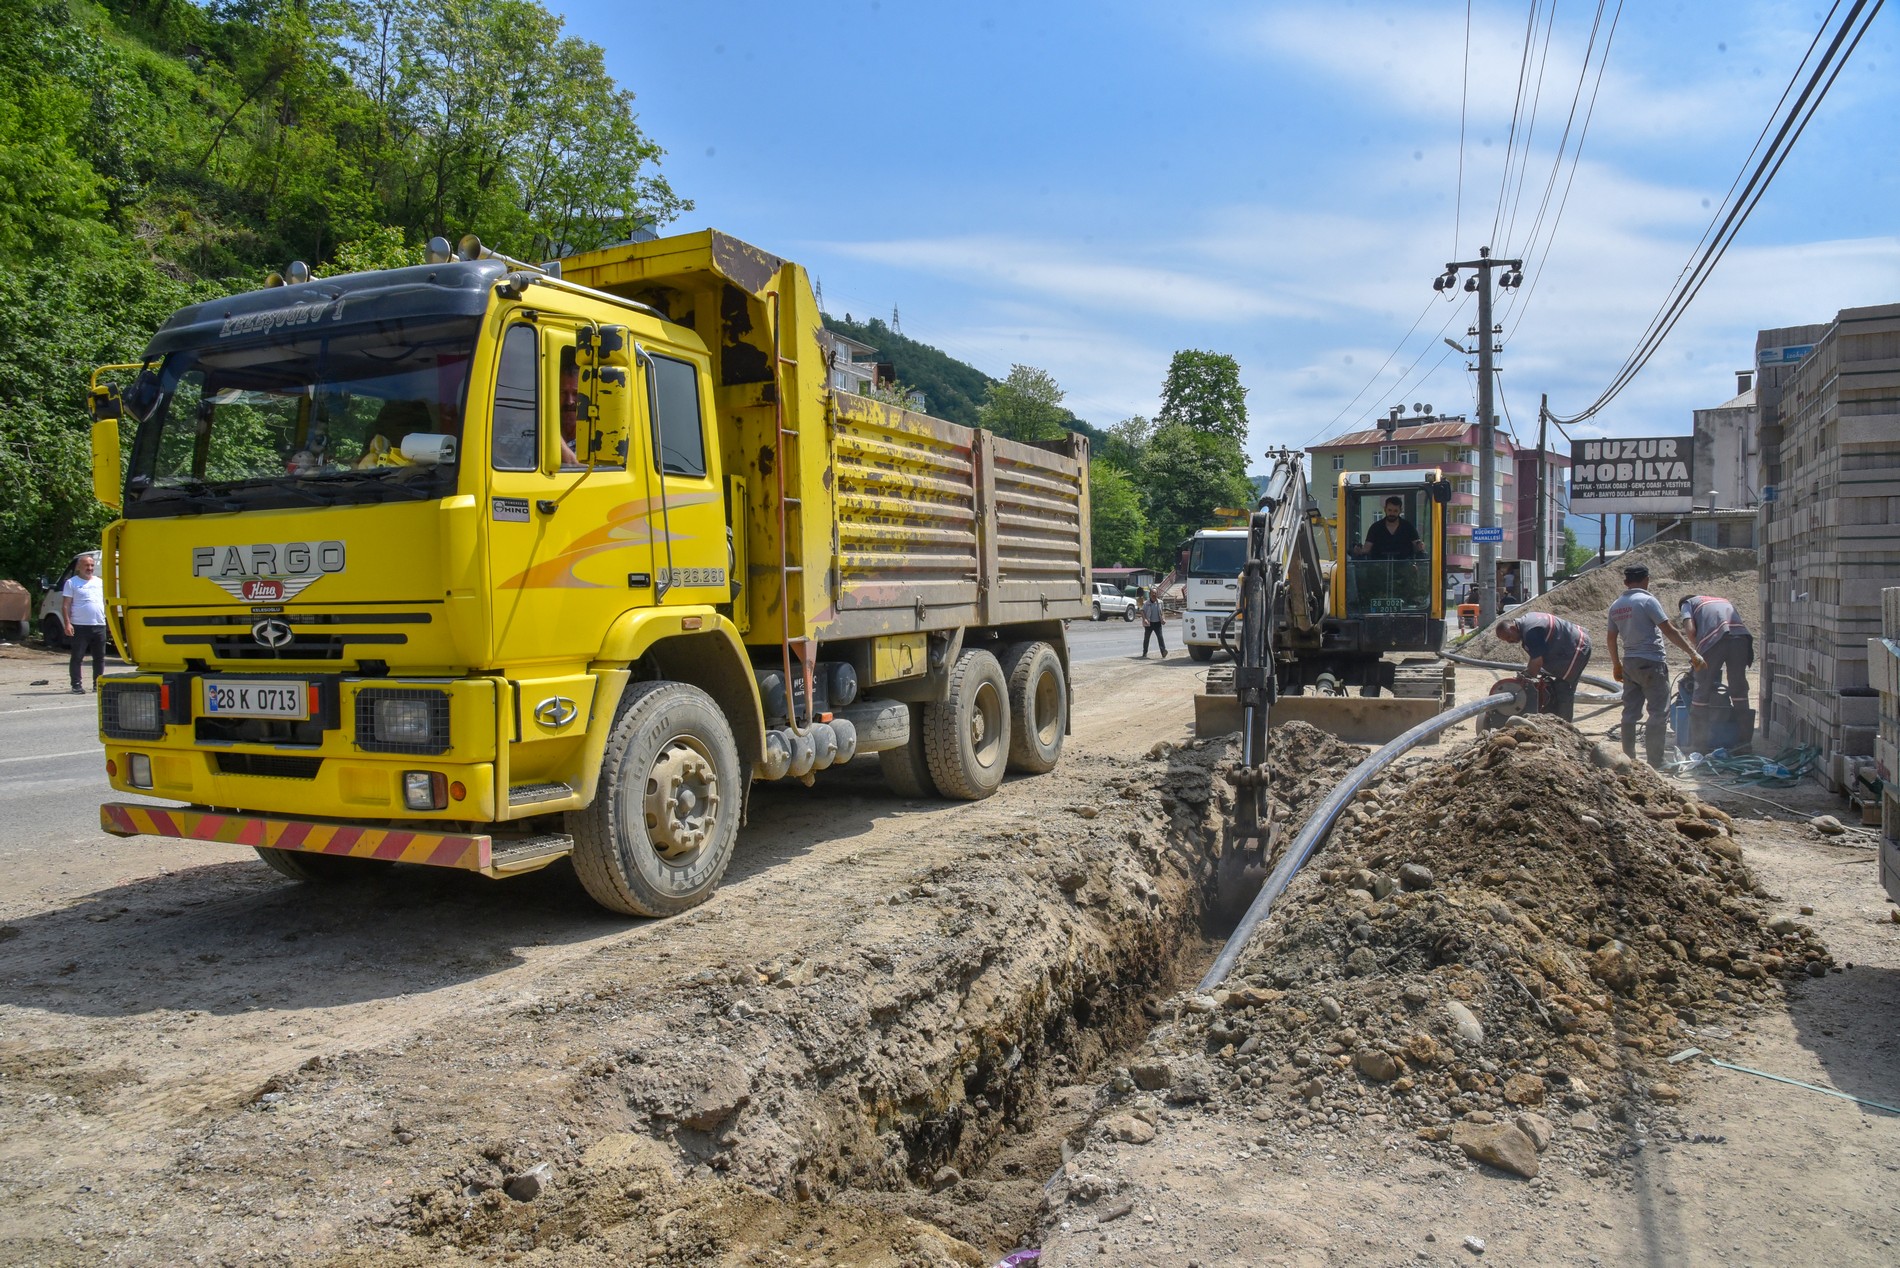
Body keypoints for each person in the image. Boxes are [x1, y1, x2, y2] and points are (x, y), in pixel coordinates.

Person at [1606, 562, 1704, 768]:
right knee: (1658, 712)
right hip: (1651, 663)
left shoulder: (1616, 606)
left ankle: (1629, 759)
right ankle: (1655, 761)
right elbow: (1669, 630)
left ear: (1625, 582)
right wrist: (1692, 653)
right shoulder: (1647, 601)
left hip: (1630, 663)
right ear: (1647, 580)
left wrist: (1616, 665)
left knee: (1630, 712)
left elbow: (1611, 638)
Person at [1677, 592, 1754, 751]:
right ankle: (1744, 744)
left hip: (1715, 639)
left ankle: (1699, 746)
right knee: (1738, 689)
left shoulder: (1687, 604)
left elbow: (1690, 631)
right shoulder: (1721, 599)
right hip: (1741, 638)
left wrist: (1697, 655)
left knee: (1701, 689)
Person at [1493, 612, 1591, 721]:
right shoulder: (1526, 623)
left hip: (1577, 646)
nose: (1509, 641)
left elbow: (1537, 661)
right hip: (1570, 644)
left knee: (1563, 687)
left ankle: (1564, 726)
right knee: (1552, 686)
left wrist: (1525, 684)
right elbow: (1536, 656)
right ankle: (1554, 720)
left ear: (1513, 628)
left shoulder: (1530, 631)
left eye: (1509, 637)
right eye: (1506, 640)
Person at [61, 552, 107, 695]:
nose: (90, 568)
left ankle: (97, 684)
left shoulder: (100, 582)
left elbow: (105, 602)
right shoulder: (72, 582)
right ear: (79, 567)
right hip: (80, 626)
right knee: (77, 657)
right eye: (86, 565)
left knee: (99, 657)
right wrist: (67, 624)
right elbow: (65, 605)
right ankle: (76, 685)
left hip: (99, 625)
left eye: (92, 565)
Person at [1351, 496, 1425, 559]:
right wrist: (1359, 550)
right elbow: (1367, 548)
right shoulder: (1375, 528)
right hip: (1378, 570)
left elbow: (1417, 546)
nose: (1392, 513)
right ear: (1385, 509)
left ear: (1400, 511)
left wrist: (1420, 546)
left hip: (1404, 570)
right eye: (1390, 510)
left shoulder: (1408, 527)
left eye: (1395, 511)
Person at [1139, 589, 1168, 659]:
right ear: (1150, 594)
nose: (1154, 595)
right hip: (1149, 623)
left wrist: (1163, 619)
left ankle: (1163, 652)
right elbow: (1142, 611)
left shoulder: (1160, 602)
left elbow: (1162, 612)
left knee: (1160, 637)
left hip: (1158, 623)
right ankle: (1144, 652)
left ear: (1157, 594)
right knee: (1146, 639)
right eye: (1152, 593)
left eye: (1155, 593)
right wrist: (1144, 619)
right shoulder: (1146, 603)